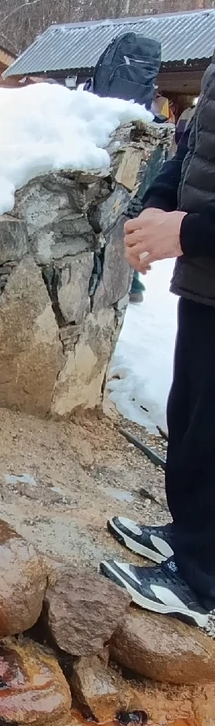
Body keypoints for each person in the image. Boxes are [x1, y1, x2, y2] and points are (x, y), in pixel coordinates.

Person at [102, 58, 215, 631]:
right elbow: (194, 146)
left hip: (204, 253)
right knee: (192, 418)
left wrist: (189, 231)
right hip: (206, 281)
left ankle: (203, 582)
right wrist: (156, 204)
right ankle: (190, 538)